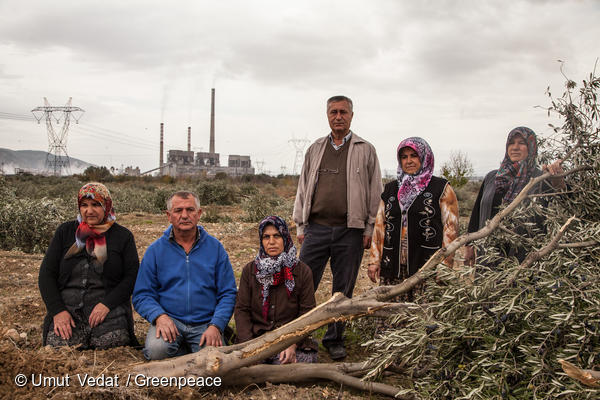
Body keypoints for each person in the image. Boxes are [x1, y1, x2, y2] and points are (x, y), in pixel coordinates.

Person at [293, 95, 382, 360]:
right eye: (333, 112)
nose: (338, 116)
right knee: (304, 283)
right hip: (316, 229)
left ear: (352, 115)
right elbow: (303, 188)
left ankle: (334, 338)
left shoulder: (365, 149)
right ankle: (299, 335)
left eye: (343, 112)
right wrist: (301, 224)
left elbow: (375, 191)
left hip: (350, 231)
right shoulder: (315, 148)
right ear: (327, 115)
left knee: (343, 289)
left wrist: (369, 229)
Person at [132, 191, 237, 360]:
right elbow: (142, 294)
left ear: (199, 214)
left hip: (205, 323)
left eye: (190, 210)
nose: (184, 215)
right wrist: (159, 316)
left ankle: (187, 353)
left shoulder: (215, 248)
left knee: (215, 361)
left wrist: (216, 325)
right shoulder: (155, 251)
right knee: (156, 351)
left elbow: (228, 293)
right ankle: (186, 353)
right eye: (178, 210)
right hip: (170, 321)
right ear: (169, 215)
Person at [39, 182, 139, 349]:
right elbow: (46, 275)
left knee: (111, 343)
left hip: (107, 310)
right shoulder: (65, 232)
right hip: (68, 310)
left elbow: (132, 276)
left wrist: (107, 304)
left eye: (95, 205)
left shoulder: (123, 236)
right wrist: (58, 311)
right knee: (59, 345)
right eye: (84, 205)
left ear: (107, 206)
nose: (89, 211)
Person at [367, 137, 459, 301]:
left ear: (424, 158)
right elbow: (380, 226)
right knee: (392, 317)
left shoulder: (441, 187)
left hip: (426, 264)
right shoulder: (390, 189)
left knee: (422, 318)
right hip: (393, 263)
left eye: (413, 156)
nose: (409, 161)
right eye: (404, 157)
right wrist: (374, 260)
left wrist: (445, 265)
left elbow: (450, 228)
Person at [465, 127, 566, 265]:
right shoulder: (492, 177)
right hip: (487, 255)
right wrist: (469, 244)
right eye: (511, 143)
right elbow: (477, 212)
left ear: (531, 147)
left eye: (521, 143)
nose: (515, 147)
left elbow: (562, 204)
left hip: (523, 257)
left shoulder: (541, 178)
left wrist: (558, 180)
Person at [234, 216, 317, 364]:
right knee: (246, 364)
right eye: (266, 237)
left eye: (276, 236)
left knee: (298, 361)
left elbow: (308, 313)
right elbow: (242, 309)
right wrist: (249, 347)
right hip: (256, 339)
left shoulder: (302, 271)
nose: (271, 242)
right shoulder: (250, 270)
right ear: (261, 240)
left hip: (289, 341)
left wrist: (292, 343)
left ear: (285, 237)